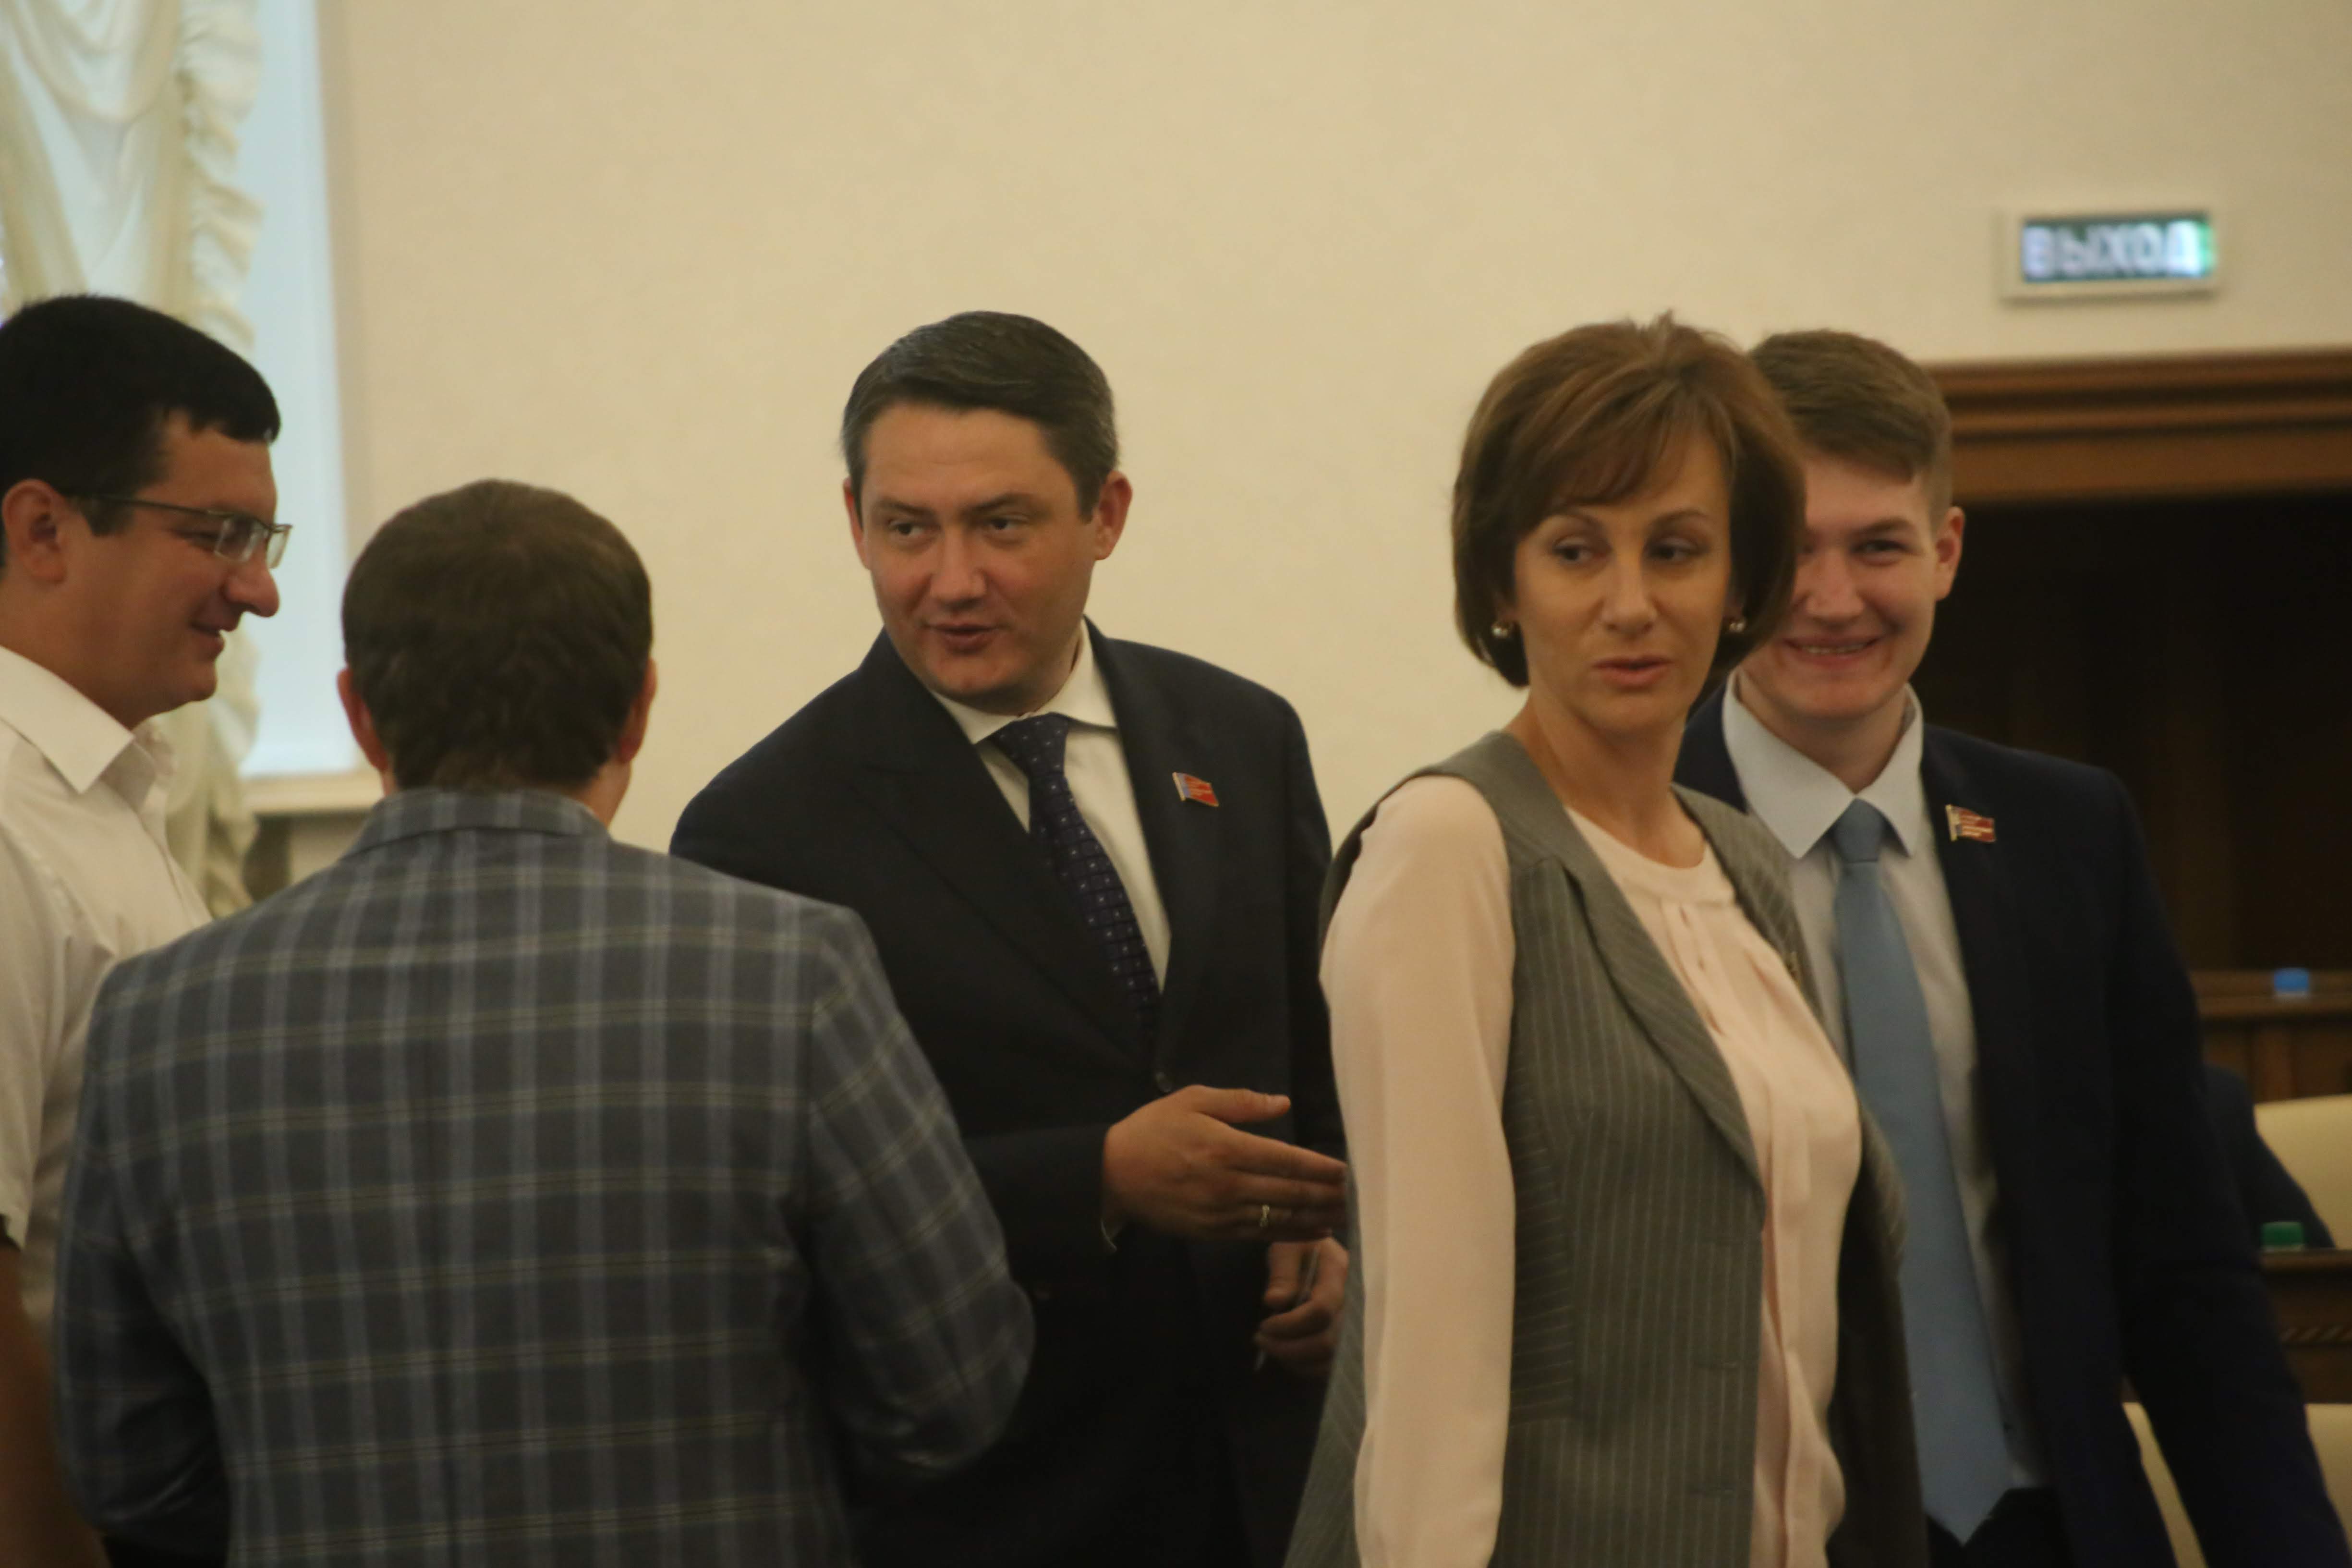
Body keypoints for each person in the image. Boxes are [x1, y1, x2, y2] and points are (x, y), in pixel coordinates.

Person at [51, 481, 1033, 1564]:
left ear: (359, 714)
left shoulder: (159, 1018)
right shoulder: (793, 973)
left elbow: (127, 1467)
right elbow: (951, 1388)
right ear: (639, 708)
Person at [673, 311, 1347, 1568]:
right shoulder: (764, 827)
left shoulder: (1243, 736)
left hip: (1270, 1476)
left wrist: (1332, 1237)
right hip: (993, 1501)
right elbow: (768, 1208)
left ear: (1106, 515)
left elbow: (1318, 1057)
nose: (951, 581)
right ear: (854, 521)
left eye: (1000, 524)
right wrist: (1095, 1176)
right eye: (906, 529)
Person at [1676, 327, 2349, 1567]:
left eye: (1878, 546)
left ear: (1944, 551)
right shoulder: (1616, 835)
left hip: (2052, 1528)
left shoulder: (2068, 832)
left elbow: (2184, 1268)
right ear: (1724, 560)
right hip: (1753, 1532)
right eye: (1790, 549)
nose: (1831, 598)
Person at [1286, 316, 1924, 1568]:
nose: (1630, 605)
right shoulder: (1448, 846)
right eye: (1576, 549)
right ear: (1502, 585)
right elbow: (1427, 1346)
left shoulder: (1739, 860)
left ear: (1739, 585)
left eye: (1675, 549)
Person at [0, 294, 282, 1568]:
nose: (258, 588)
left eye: (260, 538)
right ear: (44, 529)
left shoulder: (104, 796)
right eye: (216, 535)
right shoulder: (9, 826)